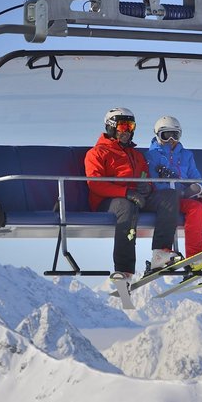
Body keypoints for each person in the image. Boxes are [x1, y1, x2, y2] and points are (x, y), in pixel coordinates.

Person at [84, 108, 180, 282]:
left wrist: (147, 187)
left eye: (130, 125)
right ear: (111, 127)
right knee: (126, 206)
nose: (127, 131)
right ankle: (124, 270)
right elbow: (95, 184)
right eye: (123, 126)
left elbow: (145, 177)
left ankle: (161, 252)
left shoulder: (136, 156)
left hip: (137, 197)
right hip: (108, 201)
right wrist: (126, 193)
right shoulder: (97, 153)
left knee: (169, 196)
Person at [146, 116, 202, 262]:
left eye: (175, 135)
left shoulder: (186, 155)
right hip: (172, 199)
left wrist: (201, 190)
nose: (171, 140)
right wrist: (183, 192)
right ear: (158, 136)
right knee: (196, 209)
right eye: (166, 135)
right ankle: (195, 257)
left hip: (192, 196)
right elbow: (156, 184)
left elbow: (196, 177)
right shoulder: (152, 156)